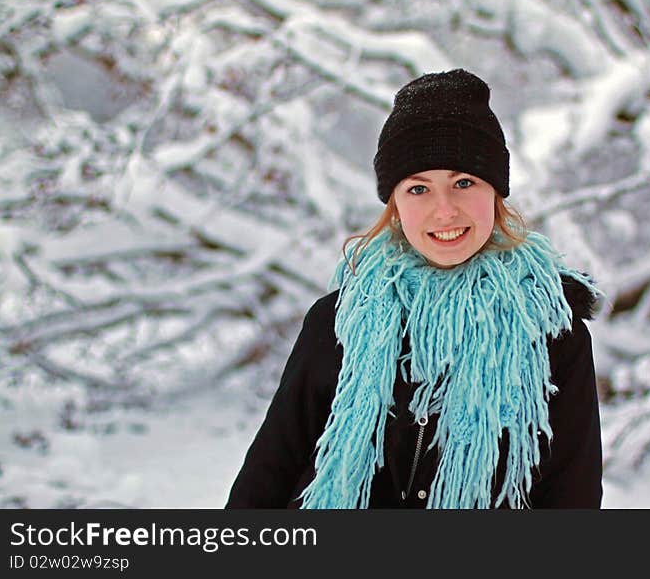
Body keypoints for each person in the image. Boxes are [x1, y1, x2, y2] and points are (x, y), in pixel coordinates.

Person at [225, 68, 603, 509]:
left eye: (464, 182)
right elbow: (269, 474)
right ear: (396, 204)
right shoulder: (340, 320)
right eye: (418, 188)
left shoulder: (550, 331)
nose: (444, 211)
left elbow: (571, 494)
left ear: (495, 193)